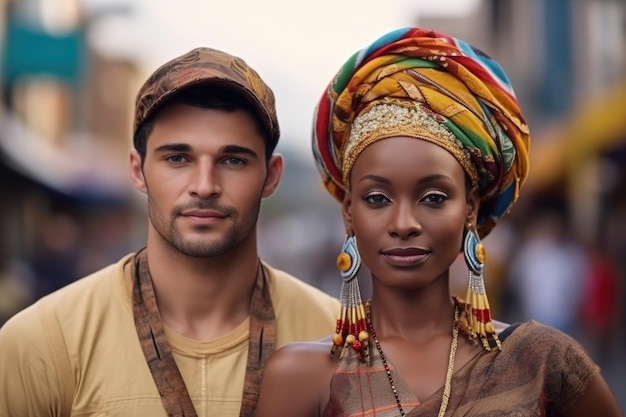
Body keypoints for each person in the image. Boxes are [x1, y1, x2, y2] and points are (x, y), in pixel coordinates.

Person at [255, 27, 623, 417]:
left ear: (470, 206)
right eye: (377, 198)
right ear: (348, 210)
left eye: (433, 197)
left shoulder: (545, 363)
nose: (404, 223)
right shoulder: (299, 376)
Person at [0, 47, 340, 417]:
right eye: (178, 158)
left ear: (271, 176)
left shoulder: (339, 337)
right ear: (137, 170)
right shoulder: (43, 342)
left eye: (233, 160)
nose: (205, 185)